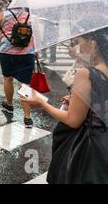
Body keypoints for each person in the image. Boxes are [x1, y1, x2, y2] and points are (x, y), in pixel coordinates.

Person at [21, 27, 107, 184]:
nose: (74, 48)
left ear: (93, 43)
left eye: (77, 43)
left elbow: (73, 120)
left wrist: (42, 104)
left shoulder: (86, 74)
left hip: (90, 149)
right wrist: (78, 101)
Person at [0, 7, 35, 128]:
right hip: (26, 54)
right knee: (25, 85)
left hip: (6, 53)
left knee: (8, 79)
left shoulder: (4, 14)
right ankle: (27, 117)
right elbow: (37, 35)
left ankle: (9, 105)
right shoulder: (30, 16)